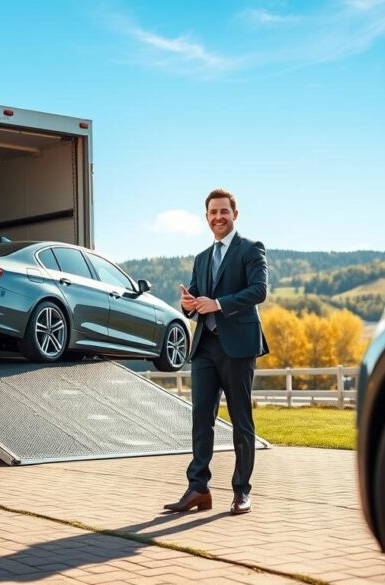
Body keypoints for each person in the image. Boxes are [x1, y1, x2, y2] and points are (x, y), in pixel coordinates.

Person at [164, 188, 269, 515]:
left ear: (234, 215)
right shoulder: (201, 258)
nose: (218, 217)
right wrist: (188, 304)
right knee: (200, 420)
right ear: (207, 217)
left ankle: (241, 492)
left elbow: (259, 291)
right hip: (205, 349)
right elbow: (197, 301)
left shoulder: (251, 249)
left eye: (224, 211)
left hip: (238, 348)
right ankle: (198, 489)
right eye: (213, 212)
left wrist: (219, 304)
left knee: (241, 421)